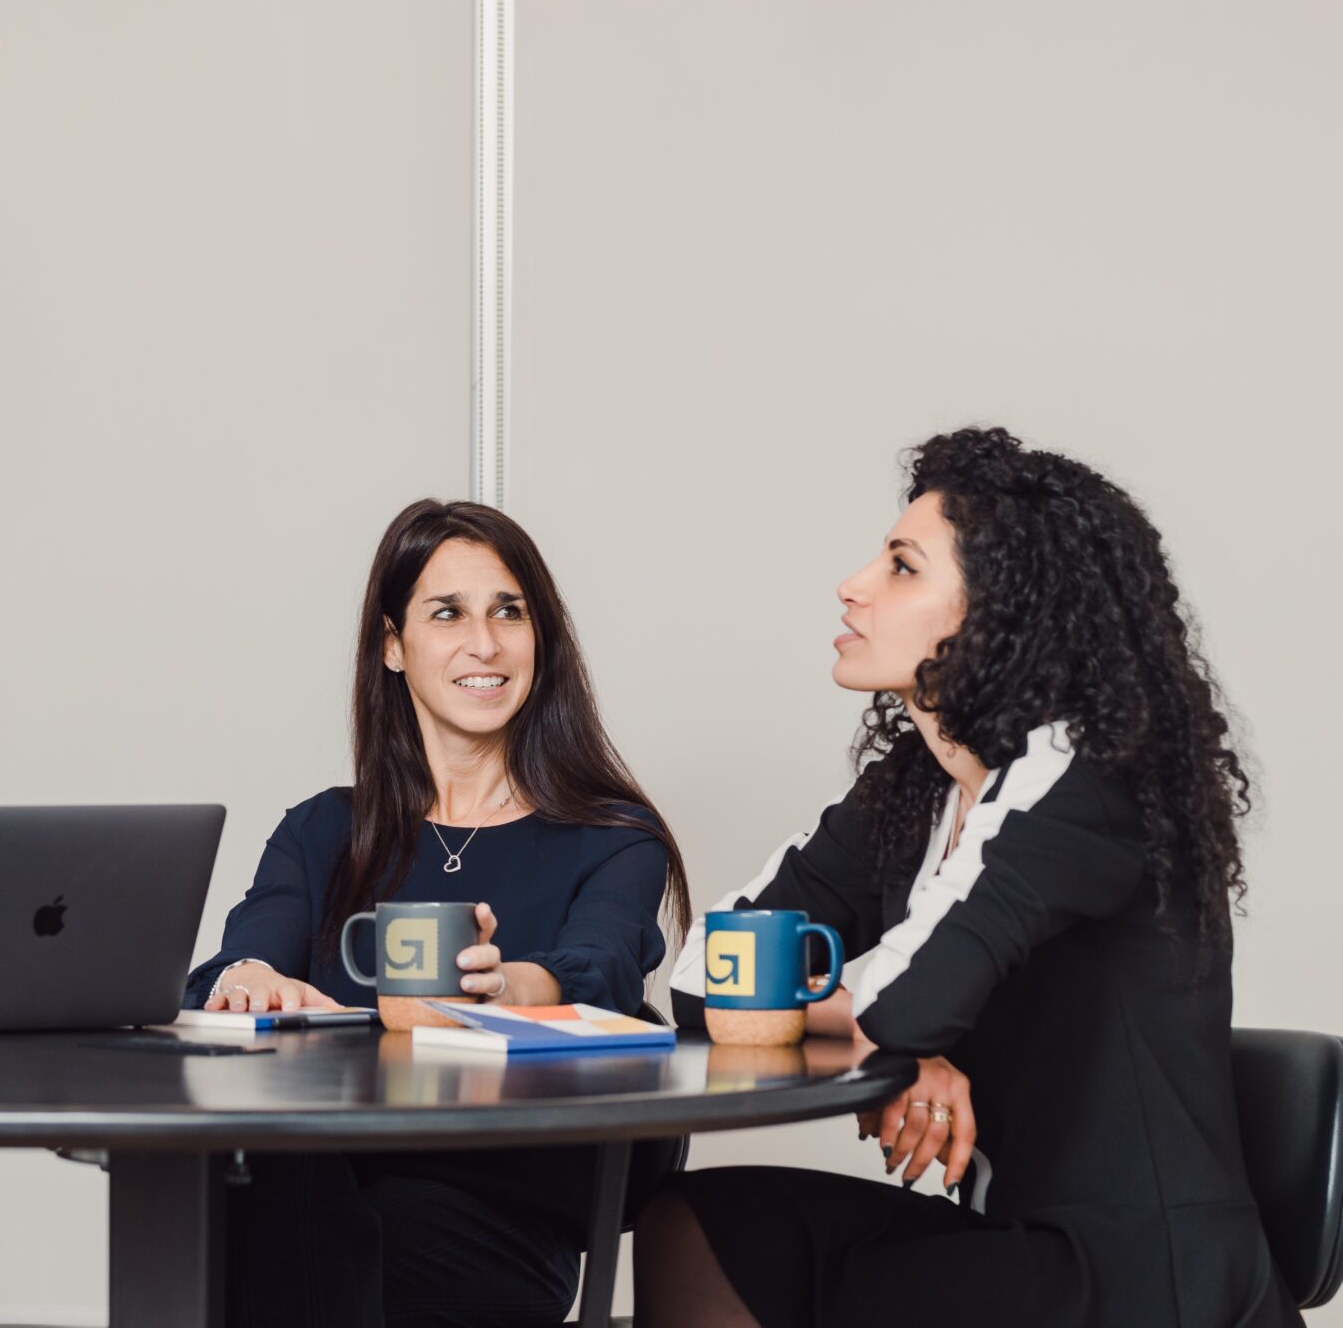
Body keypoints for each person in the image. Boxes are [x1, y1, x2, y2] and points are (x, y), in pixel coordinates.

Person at [636, 426, 1298, 1328]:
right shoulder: (914, 792)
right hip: (1016, 1246)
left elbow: (897, 1006)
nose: (854, 584)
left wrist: (900, 1038)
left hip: (1148, 1277)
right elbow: (697, 978)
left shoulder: (1085, 775)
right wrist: (906, 1045)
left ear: (996, 614)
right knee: (705, 1223)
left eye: (902, 567)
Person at [190, 498, 692, 1327]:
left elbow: (600, 972)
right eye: (448, 613)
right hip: (316, 1182)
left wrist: (508, 990)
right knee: (265, 1194)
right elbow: (233, 969)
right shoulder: (323, 830)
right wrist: (246, 980)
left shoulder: (611, 835)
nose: (485, 643)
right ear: (393, 644)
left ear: (542, 638)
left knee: (262, 1232)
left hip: (495, 1217)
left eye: (509, 612)